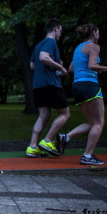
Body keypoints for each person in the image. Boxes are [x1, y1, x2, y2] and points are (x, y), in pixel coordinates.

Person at [57, 23, 107, 165]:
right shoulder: (94, 47)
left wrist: (94, 69)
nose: (99, 35)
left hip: (77, 86)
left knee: (91, 122)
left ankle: (66, 137)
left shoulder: (78, 48)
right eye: (98, 32)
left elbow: (71, 68)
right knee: (99, 123)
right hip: (89, 85)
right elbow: (91, 66)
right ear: (94, 32)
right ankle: (87, 156)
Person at [26, 19, 69, 158]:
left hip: (38, 85)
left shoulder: (39, 45)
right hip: (51, 84)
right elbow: (43, 57)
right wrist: (61, 67)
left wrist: (55, 63)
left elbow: (33, 65)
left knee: (43, 115)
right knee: (65, 114)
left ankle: (32, 147)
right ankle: (47, 141)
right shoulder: (51, 42)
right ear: (56, 28)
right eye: (61, 30)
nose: (61, 33)